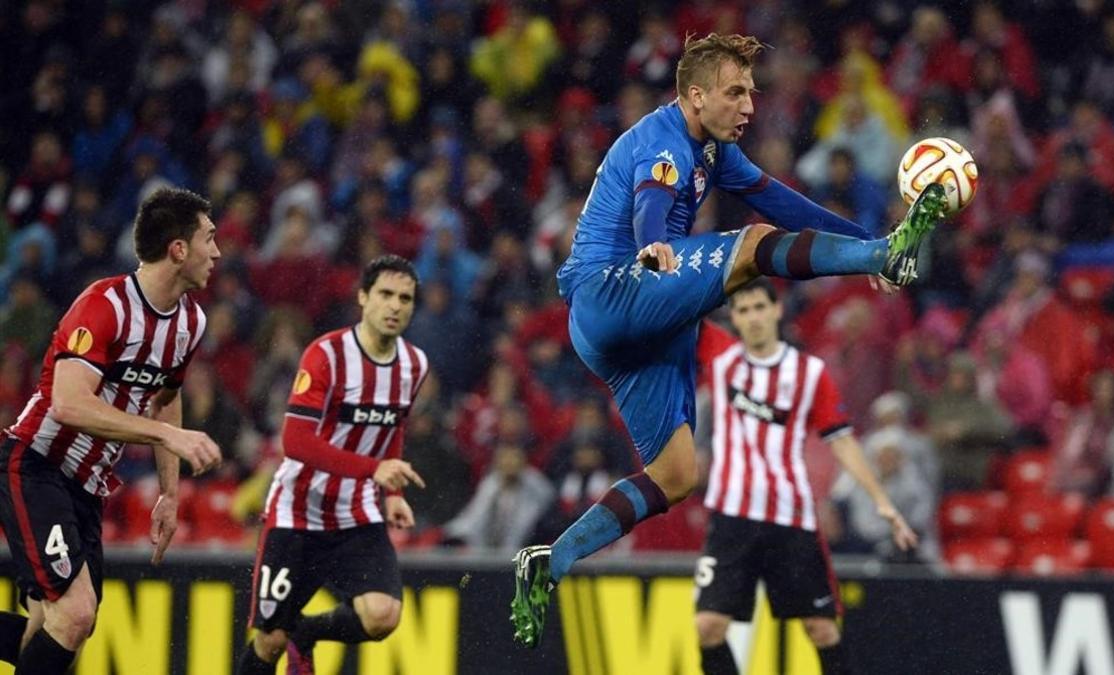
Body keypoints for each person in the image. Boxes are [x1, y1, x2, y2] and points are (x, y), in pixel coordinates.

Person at [511, 32, 945, 648]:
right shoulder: (663, 141)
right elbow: (651, 204)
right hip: (616, 289)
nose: (749, 106)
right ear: (694, 96)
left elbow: (780, 199)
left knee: (676, 474)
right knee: (749, 247)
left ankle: (550, 560)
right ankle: (882, 252)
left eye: (752, 93)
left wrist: (866, 248)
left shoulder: (714, 150)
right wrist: (654, 242)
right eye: (735, 92)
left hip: (633, 330)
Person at [0, 188, 223, 674]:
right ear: (178, 249)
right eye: (209, 238)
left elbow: (166, 399)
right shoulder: (104, 305)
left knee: (61, 626)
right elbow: (68, 402)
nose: (218, 251)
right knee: (74, 614)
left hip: (86, 485)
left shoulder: (191, 321)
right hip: (36, 465)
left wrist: (169, 492)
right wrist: (166, 437)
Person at [694, 280, 917, 675]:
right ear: (733, 318)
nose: (753, 318)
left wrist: (883, 503)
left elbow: (842, 440)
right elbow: (673, 306)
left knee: (821, 628)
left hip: (791, 518)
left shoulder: (809, 373)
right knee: (708, 626)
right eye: (743, 311)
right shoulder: (720, 357)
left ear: (777, 311)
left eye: (760, 307)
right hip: (731, 517)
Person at [237, 255, 429, 675]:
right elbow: (296, 441)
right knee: (269, 641)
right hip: (297, 513)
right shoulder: (326, 355)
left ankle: (306, 633)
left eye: (405, 298)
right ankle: (289, 635)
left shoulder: (414, 364)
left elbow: (393, 426)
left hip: (354, 513)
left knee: (383, 615)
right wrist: (373, 470)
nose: (395, 306)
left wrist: (392, 493)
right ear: (363, 298)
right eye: (385, 295)